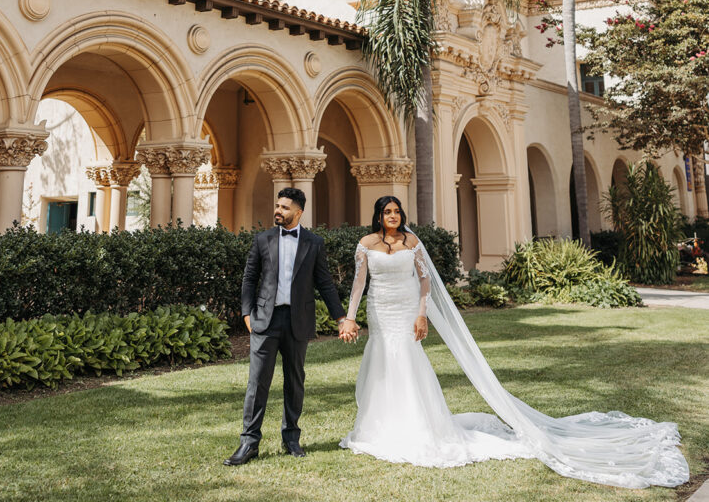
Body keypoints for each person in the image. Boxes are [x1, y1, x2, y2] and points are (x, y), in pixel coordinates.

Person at [338, 195, 690, 488]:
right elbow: (358, 283)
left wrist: (421, 313)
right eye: (388, 212)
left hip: (406, 310)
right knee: (383, 361)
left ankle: (417, 423)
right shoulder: (365, 245)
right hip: (380, 310)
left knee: (408, 363)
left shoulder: (412, 243)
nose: (393, 216)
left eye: (397, 211)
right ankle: (379, 424)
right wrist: (351, 316)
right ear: (379, 216)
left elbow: (425, 282)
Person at [224, 187, 347, 466]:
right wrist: (247, 313)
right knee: (257, 383)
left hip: (297, 321)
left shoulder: (314, 243)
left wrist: (340, 317)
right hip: (265, 321)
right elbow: (249, 278)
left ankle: (291, 438)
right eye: (277, 205)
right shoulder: (263, 239)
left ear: (299, 212)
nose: (278, 211)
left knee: (295, 381)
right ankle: (249, 442)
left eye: (285, 207)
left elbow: (325, 283)